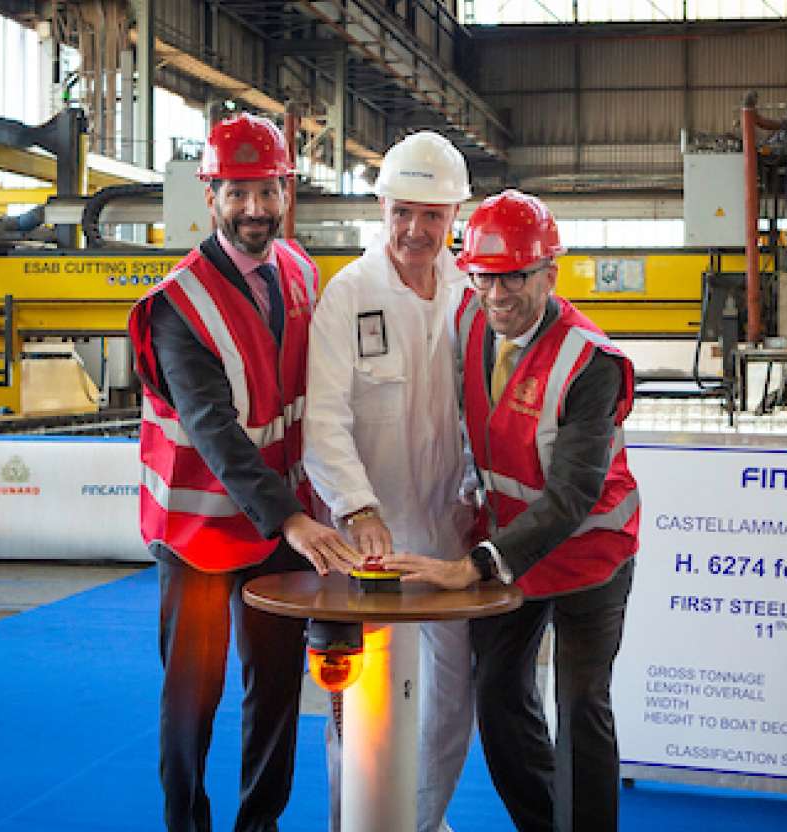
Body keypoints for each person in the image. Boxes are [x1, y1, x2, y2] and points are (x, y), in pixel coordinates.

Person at [127, 111, 361, 832]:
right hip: (199, 528)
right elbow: (215, 431)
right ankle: (187, 824)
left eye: (267, 191)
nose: (254, 209)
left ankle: (259, 823)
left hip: (278, 523)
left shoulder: (298, 272)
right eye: (237, 194)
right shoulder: (177, 306)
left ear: (286, 189)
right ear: (211, 197)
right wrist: (291, 516)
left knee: (277, 686)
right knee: (192, 696)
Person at [386, 189, 642, 832]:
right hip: (511, 550)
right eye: (484, 279)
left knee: (581, 704)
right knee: (497, 695)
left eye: (515, 279)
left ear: (549, 274)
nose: (498, 297)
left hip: (590, 554)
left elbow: (572, 496)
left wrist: (475, 564)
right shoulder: (469, 324)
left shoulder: (592, 363)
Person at [302, 131, 475, 832]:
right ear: (382, 207)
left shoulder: (468, 293)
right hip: (367, 541)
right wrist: (357, 505)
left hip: (448, 534)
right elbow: (324, 419)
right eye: (403, 212)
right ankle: (361, 823)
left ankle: (424, 822)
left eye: (432, 215)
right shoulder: (348, 295)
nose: (415, 230)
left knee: (451, 697)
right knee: (364, 706)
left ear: (454, 217)